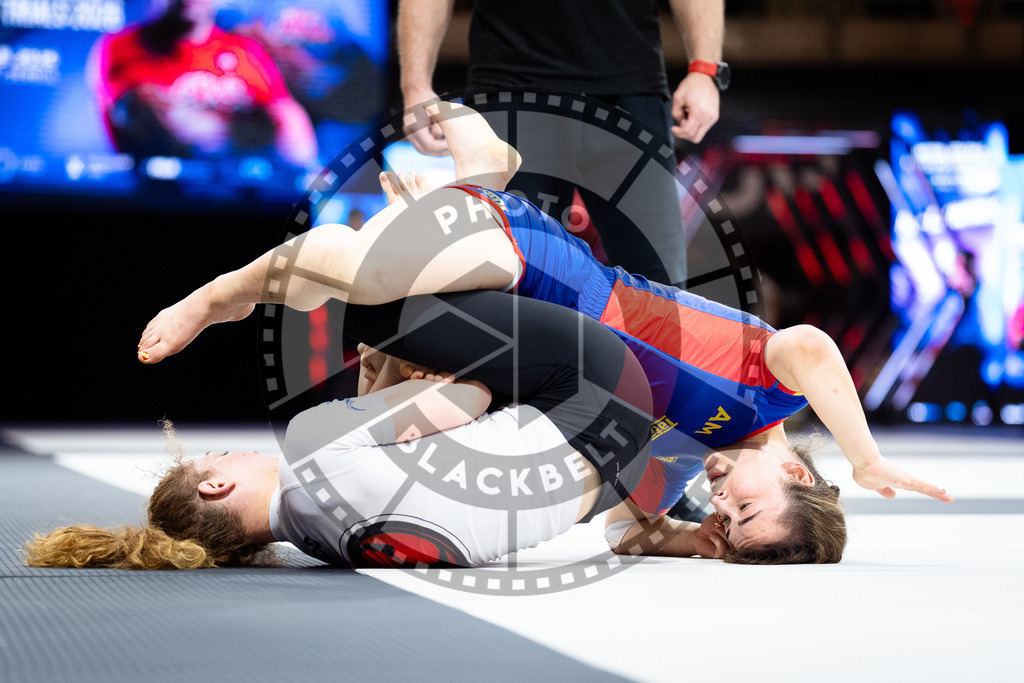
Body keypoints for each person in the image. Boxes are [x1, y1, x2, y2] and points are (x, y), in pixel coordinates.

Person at [135, 102, 953, 564]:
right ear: (800, 475)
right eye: (749, 507)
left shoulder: (677, 458)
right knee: (369, 275)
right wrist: (866, 452)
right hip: (562, 280)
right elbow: (811, 345)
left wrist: (688, 542)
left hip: (537, 324)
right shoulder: (764, 394)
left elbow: (629, 528)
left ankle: (477, 174)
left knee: (378, 294)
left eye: (732, 521)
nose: (727, 504)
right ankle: (219, 295)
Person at [26, 290, 654, 569]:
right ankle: (218, 298)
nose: (238, 449)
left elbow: (408, 455)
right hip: (599, 390)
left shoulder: (327, 549)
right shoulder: (306, 440)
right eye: (217, 457)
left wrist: (408, 389)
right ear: (216, 486)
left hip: (609, 475)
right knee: (368, 306)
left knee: (388, 360)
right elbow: (473, 394)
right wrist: (429, 382)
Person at [398, 0, 728, 289]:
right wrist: (415, 84)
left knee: (663, 294)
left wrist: (705, 69)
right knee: (513, 287)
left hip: (630, 91)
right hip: (512, 91)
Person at [92, 0, 317, 167]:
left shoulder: (246, 51)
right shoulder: (122, 47)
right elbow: (157, 123)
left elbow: (297, 141)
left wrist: (205, 121)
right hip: (159, 204)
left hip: (248, 207)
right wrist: (256, 126)